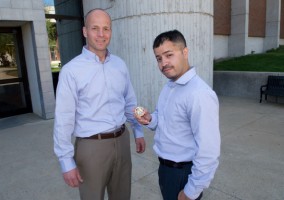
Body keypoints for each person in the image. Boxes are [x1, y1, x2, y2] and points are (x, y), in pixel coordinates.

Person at [53, 8, 146, 200]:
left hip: (121, 140)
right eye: (95, 28)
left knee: (122, 196)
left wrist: (138, 131)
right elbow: (64, 119)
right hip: (91, 147)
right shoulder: (71, 71)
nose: (101, 34)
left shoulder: (120, 65)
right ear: (85, 31)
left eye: (106, 28)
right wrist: (66, 161)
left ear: (111, 31)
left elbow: (130, 102)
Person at [134, 30, 220, 200]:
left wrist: (191, 191)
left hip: (183, 175)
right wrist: (150, 119)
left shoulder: (199, 94)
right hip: (166, 170)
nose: (163, 63)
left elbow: (209, 152)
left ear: (185, 52)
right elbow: (162, 119)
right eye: (159, 58)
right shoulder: (169, 86)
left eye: (169, 55)